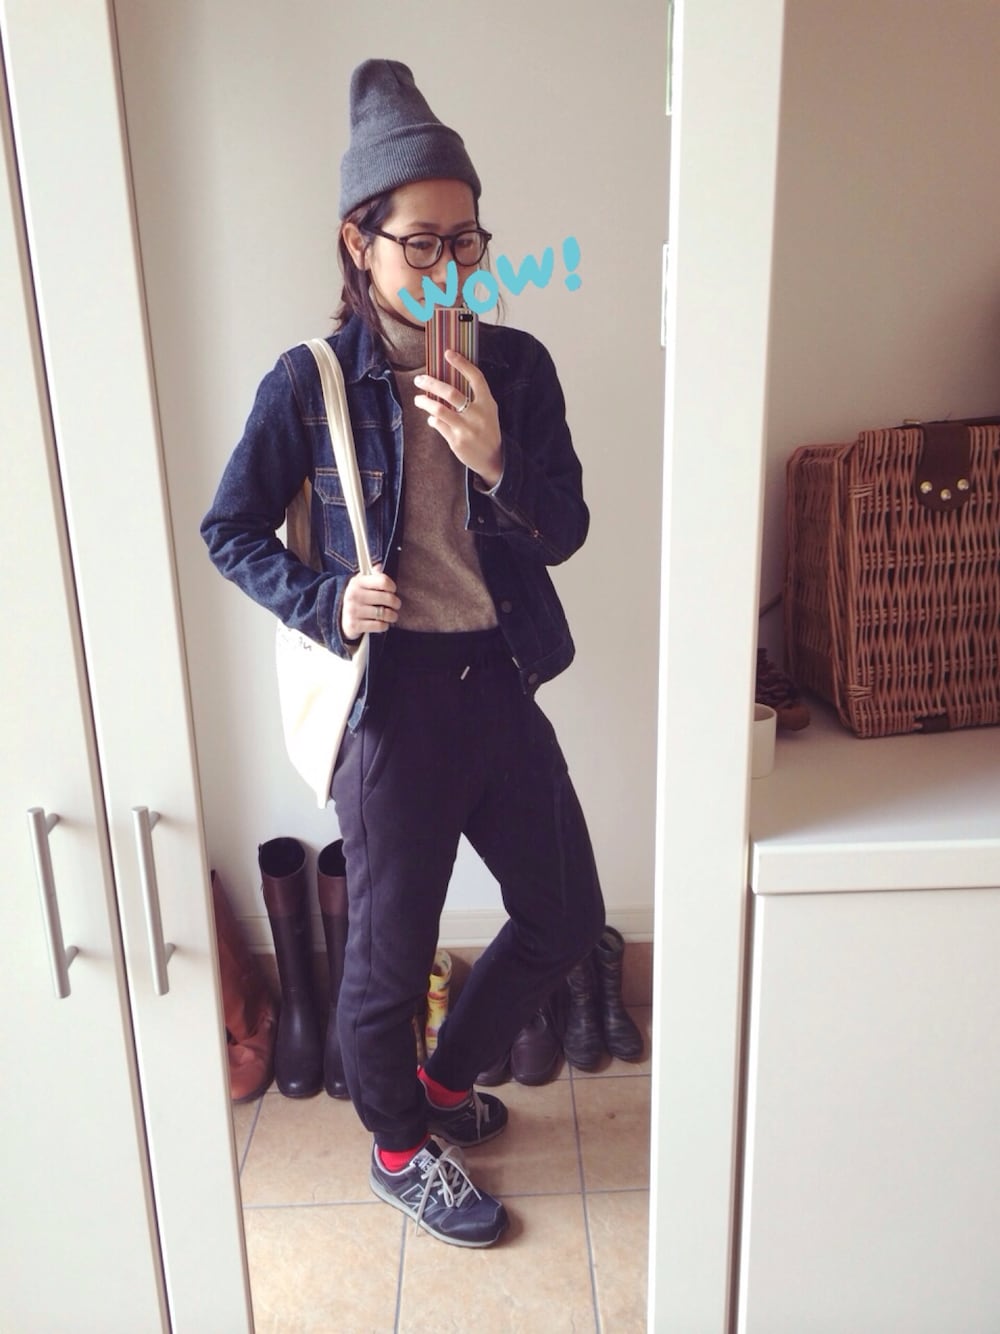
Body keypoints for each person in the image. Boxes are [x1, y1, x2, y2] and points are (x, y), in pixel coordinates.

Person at [201, 58, 605, 1248]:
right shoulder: (310, 381)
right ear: (359, 240)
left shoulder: (515, 367)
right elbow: (229, 528)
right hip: (392, 702)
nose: (448, 266)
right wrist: (326, 600)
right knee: (388, 955)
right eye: (420, 243)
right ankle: (393, 1146)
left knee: (563, 913)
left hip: (500, 680)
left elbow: (566, 528)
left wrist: (495, 460)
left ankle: (437, 1083)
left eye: (465, 240)